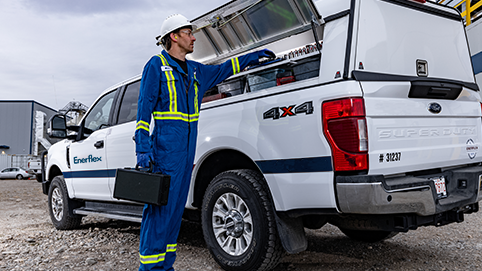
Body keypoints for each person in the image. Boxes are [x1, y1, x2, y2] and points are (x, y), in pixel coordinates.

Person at [134, 13, 276, 271]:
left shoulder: (196, 70)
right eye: (188, 32)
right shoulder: (155, 66)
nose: (194, 37)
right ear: (174, 37)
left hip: (186, 154)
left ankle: (165, 266)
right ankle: (150, 268)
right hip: (165, 154)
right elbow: (143, 113)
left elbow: (224, 69)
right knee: (158, 215)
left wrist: (251, 56)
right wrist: (142, 150)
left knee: (175, 213)